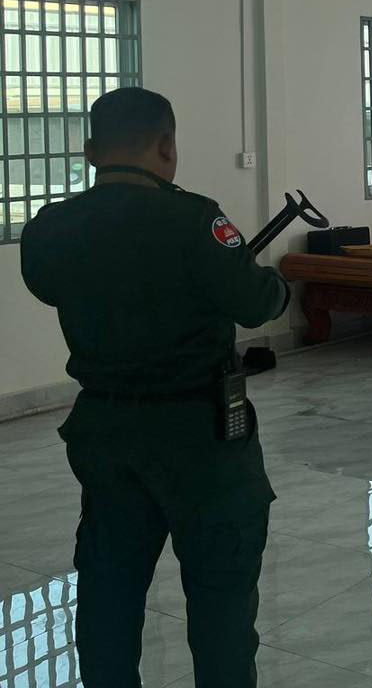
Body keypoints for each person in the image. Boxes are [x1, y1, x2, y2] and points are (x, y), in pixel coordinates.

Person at [19, 87, 290, 687]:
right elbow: (256, 303)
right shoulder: (195, 219)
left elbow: (48, 286)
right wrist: (271, 281)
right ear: (167, 146)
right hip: (200, 437)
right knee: (220, 605)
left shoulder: (52, 228)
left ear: (91, 151)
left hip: (105, 431)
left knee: (108, 593)